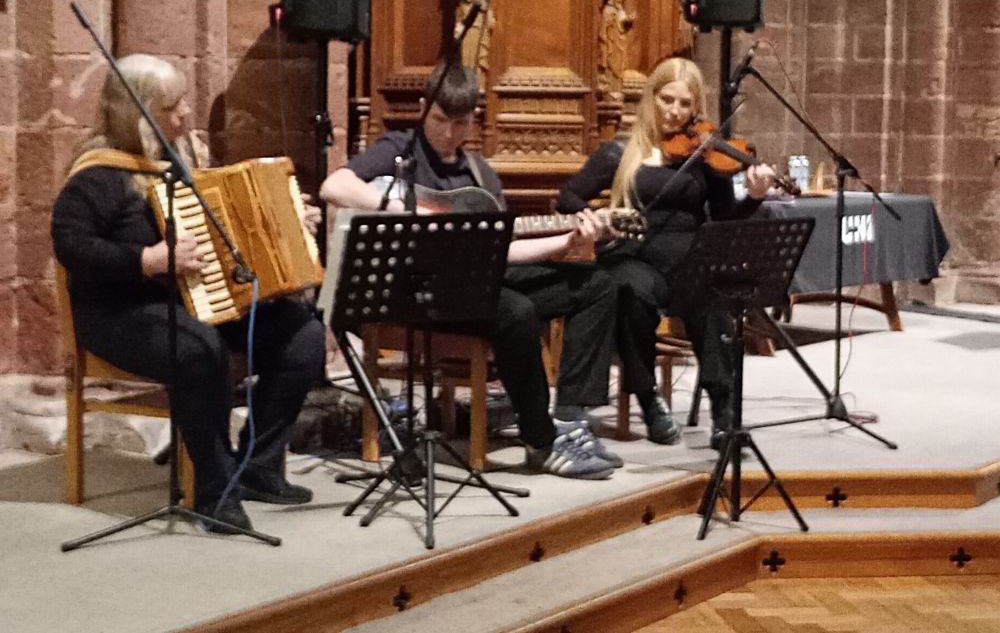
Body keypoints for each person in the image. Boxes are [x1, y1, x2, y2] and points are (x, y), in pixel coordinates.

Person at [51, 54, 324, 533]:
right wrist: (146, 259)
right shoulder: (95, 176)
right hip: (119, 313)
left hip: (198, 299)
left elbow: (229, 222)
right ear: (136, 114)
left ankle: (257, 465)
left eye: (183, 102)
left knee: (304, 336)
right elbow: (71, 247)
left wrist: (288, 221)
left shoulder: (186, 160)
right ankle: (214, 491)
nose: (185, 114)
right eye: (171, 107)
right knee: (200, 348)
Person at [320, 61, 621, 479]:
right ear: (423, 108)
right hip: (419, 290)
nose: (448, 133)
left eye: (459, 123)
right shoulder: (400, 149)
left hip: (477, 280)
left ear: (474, 118)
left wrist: (567, 243)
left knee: (598, 284)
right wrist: (405, 209)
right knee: (516, 312)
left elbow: (506, 250)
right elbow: (333, 186)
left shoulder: (479, 175)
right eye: (440, 120)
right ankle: (541, 441)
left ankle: (570, 417)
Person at [556, 57, 777, 447]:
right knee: (629, 290)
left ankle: (723, 412)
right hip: (635, 256)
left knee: (715, 295)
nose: (675, 111)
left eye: (685, 104)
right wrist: (597, 219)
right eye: (667, 99)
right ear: (651, 98)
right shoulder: (619, 152)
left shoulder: (705, 155)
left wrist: (754, 196)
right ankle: (648, 397)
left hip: (689, 259)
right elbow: (568, 197)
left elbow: (725, 215)